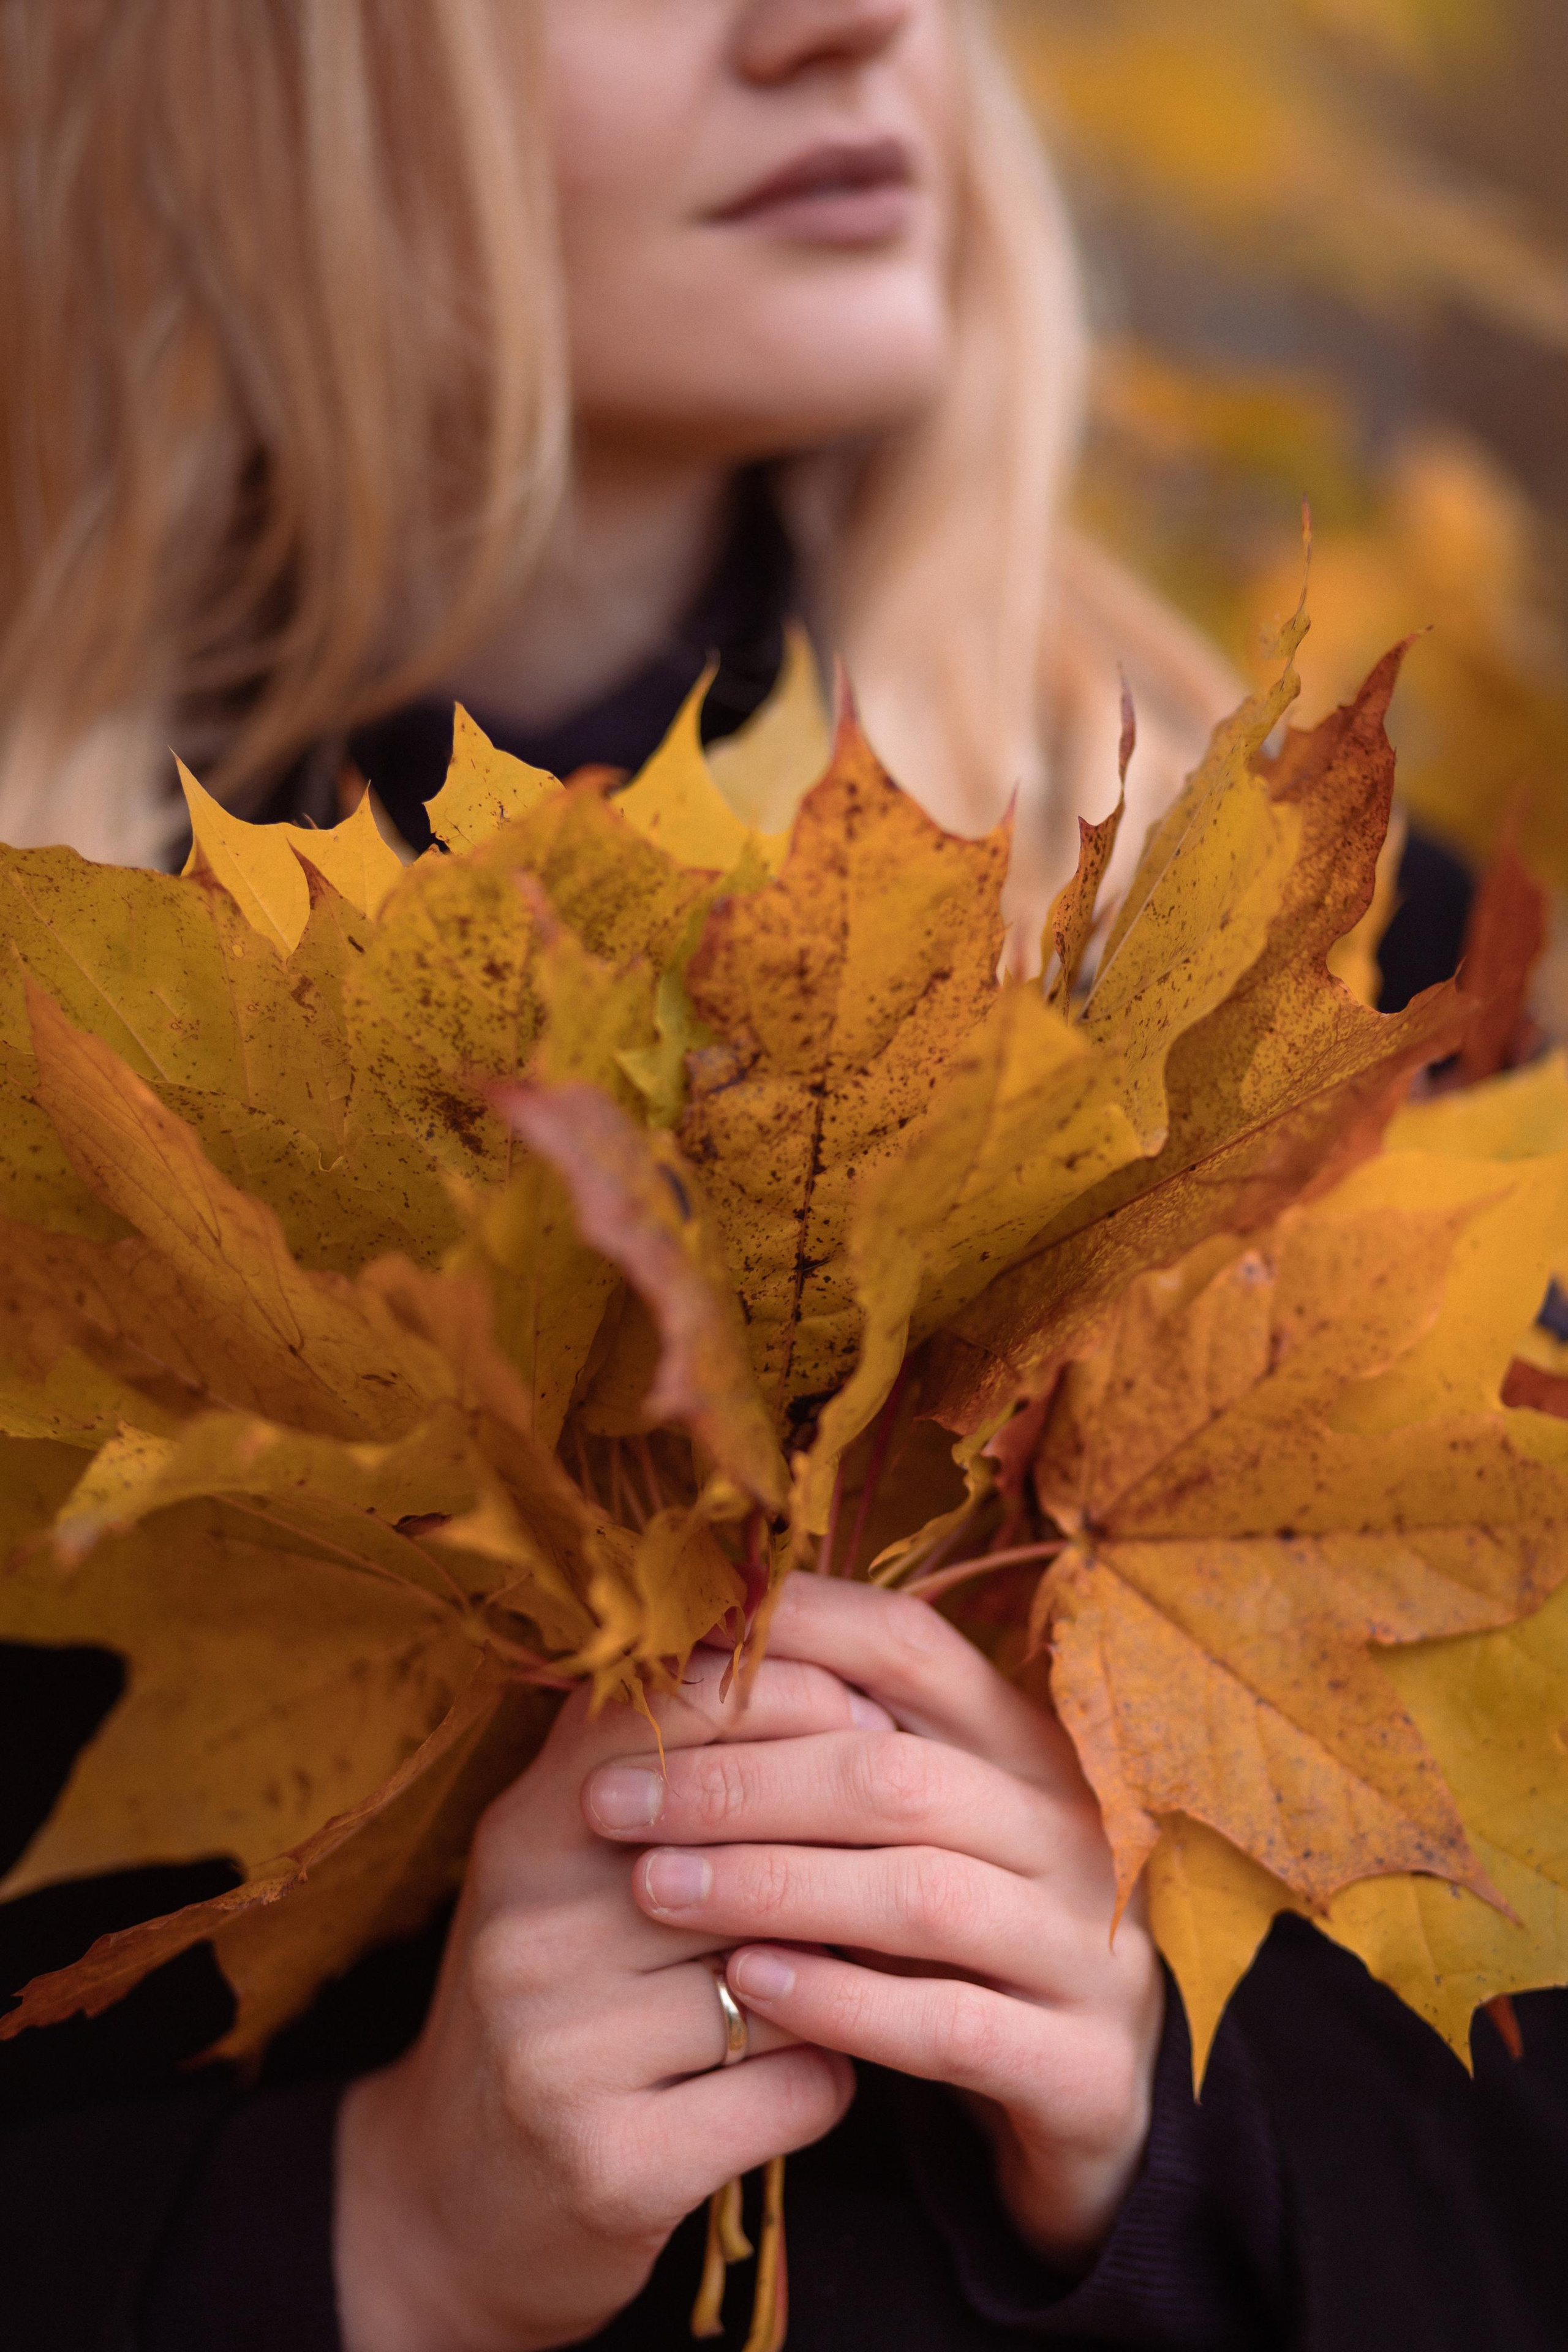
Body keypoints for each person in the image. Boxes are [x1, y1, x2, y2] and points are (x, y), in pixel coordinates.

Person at [0, 6, 1559, 2350]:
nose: (848, 22)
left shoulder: (1304, 991)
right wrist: (378, 2239)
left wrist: (1141, 2122)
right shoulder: (73, 1103)